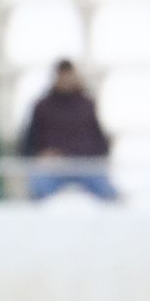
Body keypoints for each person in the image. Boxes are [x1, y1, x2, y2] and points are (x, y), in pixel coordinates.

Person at [22, 60, 117, 201]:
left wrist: (91, 154)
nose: (66, 80)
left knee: (110, 194)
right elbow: (28, 144)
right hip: (55, 167)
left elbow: (100, 141)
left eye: (69, 75)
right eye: (62, 76)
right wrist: (42, 154)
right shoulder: (42, 106)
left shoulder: (87, 105)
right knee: (39, 188)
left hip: (84, 164)